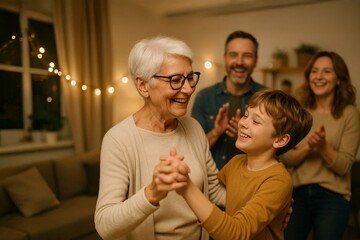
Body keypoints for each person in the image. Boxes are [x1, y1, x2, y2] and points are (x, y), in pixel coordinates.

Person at [94, 35, 226, 240]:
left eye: (190, 77)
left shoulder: (194, 128)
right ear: (143, 86)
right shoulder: (118, 139)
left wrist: (264, 205)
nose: (189, 89)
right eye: (175, 80)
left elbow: (216, 191)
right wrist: (152, 193)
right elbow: (105, 226)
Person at [162, 89, 312, 239]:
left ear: (280, 140)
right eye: (246, 115)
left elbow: (237, 233)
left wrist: (186, 187)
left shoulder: (278, 180)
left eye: (256, 121)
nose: (244, 123)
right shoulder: (236, 163)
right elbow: (212, 188)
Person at [281, 51, 360, 240]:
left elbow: (344, 167)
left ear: (339, 79)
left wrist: (323, 146)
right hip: (296, 194)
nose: (318, 76)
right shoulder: (299, 110)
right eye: (314, 71)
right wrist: (309, 147)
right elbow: (285, 158)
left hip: (333, 197)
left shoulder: (349, 113)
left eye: (327, 71)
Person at [191, 30, 267, 170]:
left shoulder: (268, 98)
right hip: (212, 183)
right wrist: (215, 132)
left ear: (256, 60)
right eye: (233, 55)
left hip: (253, 184)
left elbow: (276, 152)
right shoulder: (204, 97)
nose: (239, 62)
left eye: (247, 56)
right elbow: (192, 150)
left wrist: (248, 137)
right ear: (225, 58)